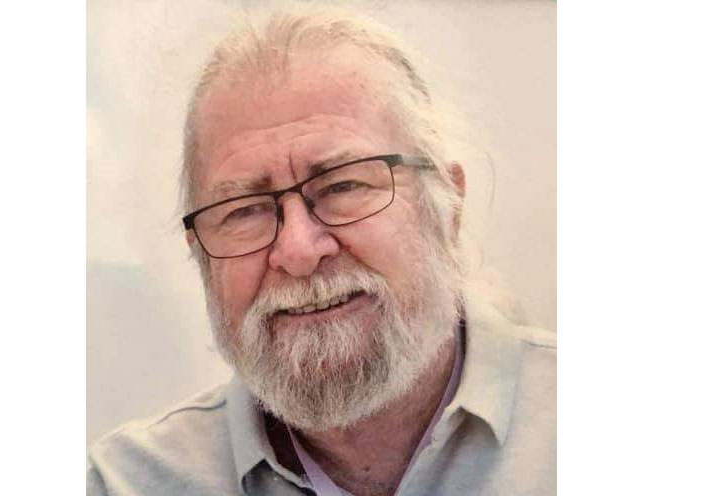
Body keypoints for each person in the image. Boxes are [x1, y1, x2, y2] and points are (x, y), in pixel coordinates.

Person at [87, 4, 555, 495]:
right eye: (244, 211)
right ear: (201, 256)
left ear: (448, 204)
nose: (298, 250)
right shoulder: (123, 483)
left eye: (342, 185)